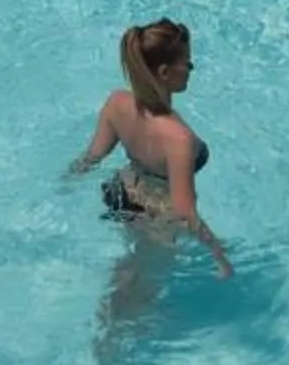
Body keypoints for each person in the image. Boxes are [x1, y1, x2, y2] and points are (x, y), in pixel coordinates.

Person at [66, 18, 232, 279]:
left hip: (121, 191)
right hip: (155, 212)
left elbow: (92, 157)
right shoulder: (179, 139)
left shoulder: (117, 103)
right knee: (139, 285)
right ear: (165, 73)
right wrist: (219, 254)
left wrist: (65, 183)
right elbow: (184, 211)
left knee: (130, 268)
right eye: (187, 63)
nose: (191, 68)